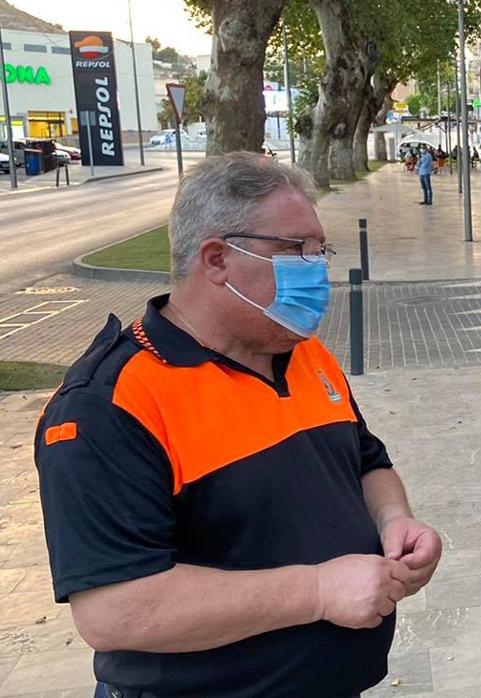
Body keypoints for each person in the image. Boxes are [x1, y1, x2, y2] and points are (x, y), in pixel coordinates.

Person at [33, 153, 443, 697]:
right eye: (296, 250)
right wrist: (317, 590)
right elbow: (114, 610)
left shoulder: (303, 354)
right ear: (217, 259)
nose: (316, 268)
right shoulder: (109, 404)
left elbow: (366, 460)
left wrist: (395, 520)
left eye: (320, 250)